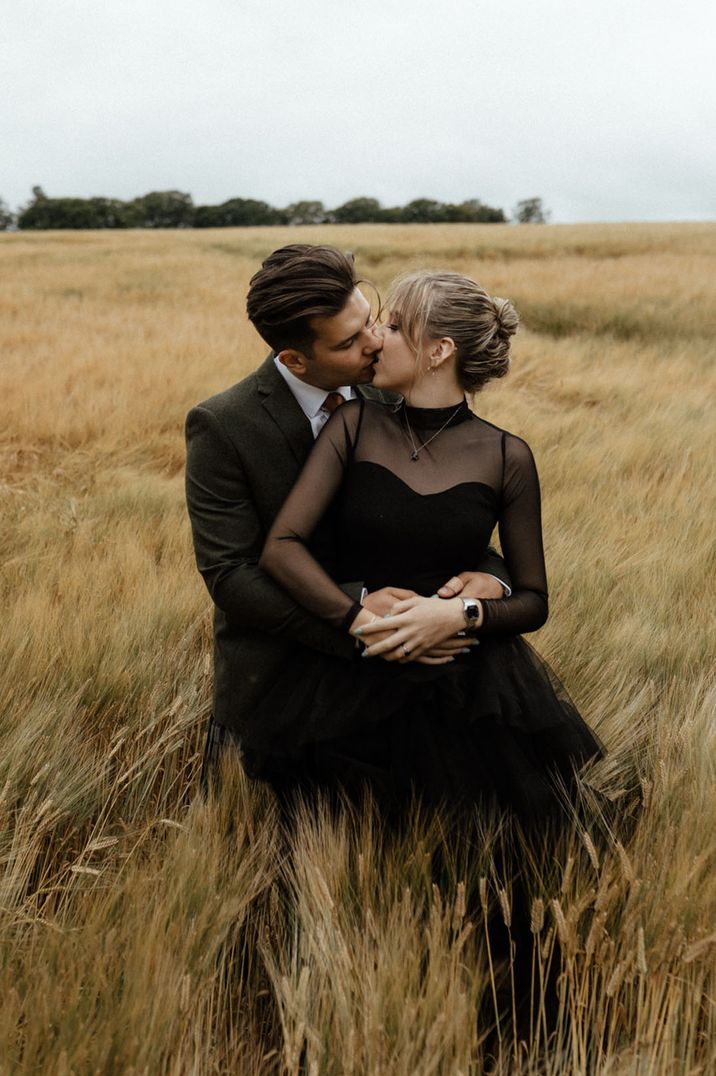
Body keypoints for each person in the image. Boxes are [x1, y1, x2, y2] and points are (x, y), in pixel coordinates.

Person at [258, 270, 604, 818]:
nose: (377, 337)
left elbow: (533, 600)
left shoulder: (506, 456)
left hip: (468, 687)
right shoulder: (354, 423)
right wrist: (360, 619)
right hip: (354, 680)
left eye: (394, 325)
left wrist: (460, 616)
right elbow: (282, 545)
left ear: (439, 350)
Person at [184, 247, 511, 791]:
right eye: (348, 342)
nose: (375, 342)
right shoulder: (224, 425)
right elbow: (230, 576)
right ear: (294, 360)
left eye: (371, 320)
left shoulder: (391, 390)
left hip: (410, 678)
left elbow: (450, 515)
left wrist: (488, 578)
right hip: (283, 676)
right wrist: (361, 619)